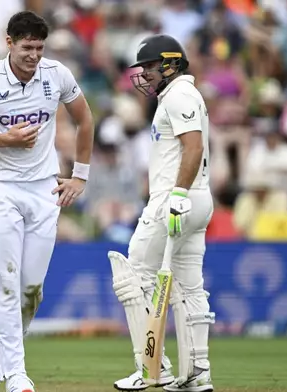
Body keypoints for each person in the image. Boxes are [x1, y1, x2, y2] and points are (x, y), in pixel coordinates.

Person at [0, 11, 94, 392]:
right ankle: (16, 376)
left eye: (39, 48)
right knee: (6, 284)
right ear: (9, 43)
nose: (34, 56)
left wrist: (80, 175)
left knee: (32, 290)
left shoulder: (56, 74)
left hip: (44, 189)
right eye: (27, 47)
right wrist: (1, 140)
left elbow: (84, 119)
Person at [108, 34, 215, 392]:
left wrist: (179, 193)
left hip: (175, 199)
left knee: (135, 274)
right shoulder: (180, 95)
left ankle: (151, 368)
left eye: (150, 67)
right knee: (189, 285)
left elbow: (193, 146)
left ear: (171, 64)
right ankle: (198, 372)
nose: (145, 75)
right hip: (196, 200)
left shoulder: (180, 94)